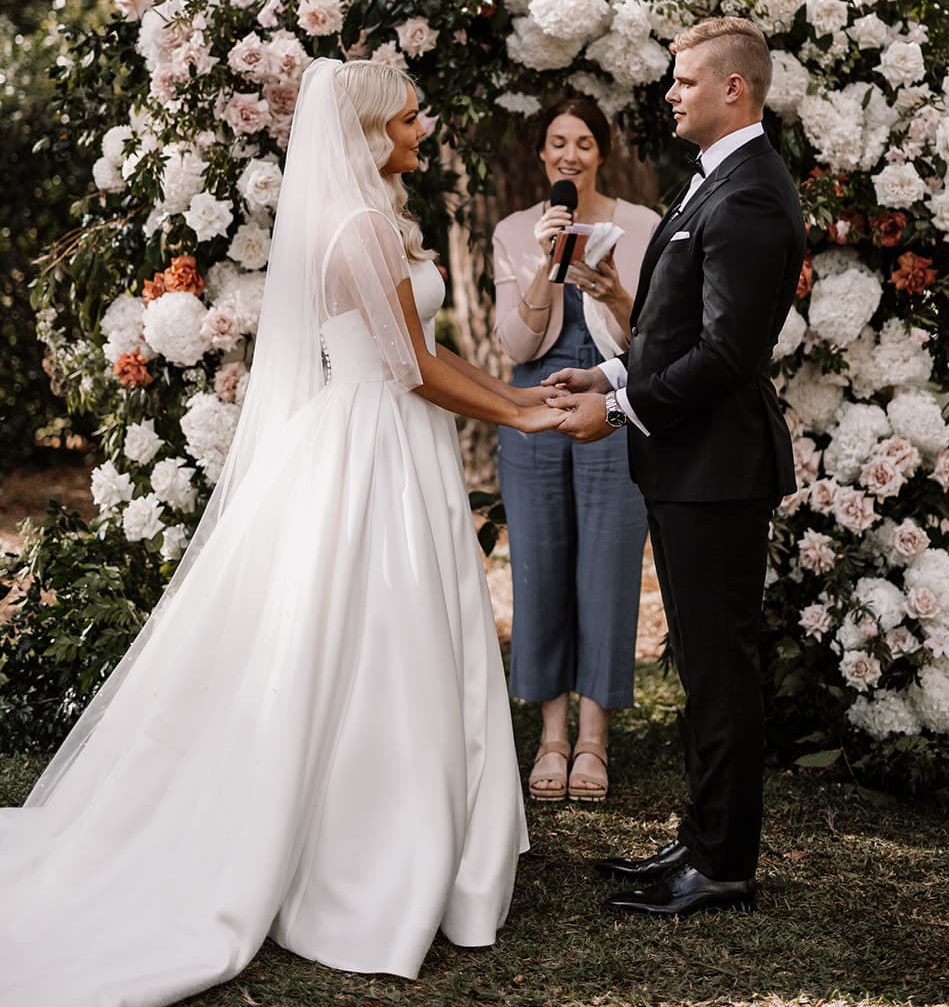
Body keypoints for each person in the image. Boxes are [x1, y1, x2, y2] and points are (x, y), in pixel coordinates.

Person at [0, 59, 568, 1007]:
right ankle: (365, 859)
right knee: (377, 640)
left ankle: (411, 838)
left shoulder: (369, 218)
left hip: (390, 436)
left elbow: (427, 351)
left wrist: (518, 393)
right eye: (411, 118)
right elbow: (413, 368)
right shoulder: (356, 227)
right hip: (371, 443)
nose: (421, 131)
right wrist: (530, 420)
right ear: (374, 129)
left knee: (394, 636)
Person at [544, 17, 805, 915]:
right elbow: (674, 329)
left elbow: (729, 353)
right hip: (686, 465)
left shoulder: (754, 196)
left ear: (734, 88)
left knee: (719, 668)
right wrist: (611, 369)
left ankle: (723, 863)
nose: (669, 93)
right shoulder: (710, 186)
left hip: (719, 471)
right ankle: (697, 839)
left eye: (684, 81)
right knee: (696, 661)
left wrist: (615, 408)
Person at [492, 97, 659, 803]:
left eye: (583, 143)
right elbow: (515, 343)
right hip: (532, 405)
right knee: (538, 567)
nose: (570, 155)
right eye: (557, 142)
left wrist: (614, 290)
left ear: (602, 151)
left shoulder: (641, 226)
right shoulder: (512, 229)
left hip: (611, 402)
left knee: (608, 567)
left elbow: (649, 336)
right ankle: (551, 735)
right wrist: (541, 264)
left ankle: (593, 737)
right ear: (540, 153)